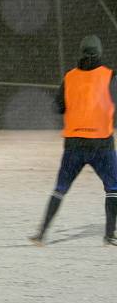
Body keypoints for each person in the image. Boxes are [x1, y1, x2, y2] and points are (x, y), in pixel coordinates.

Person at [30, 35, 117, 246]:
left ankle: (41, 234)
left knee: (60, 188)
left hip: (74, 143)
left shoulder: (69, 77)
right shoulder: (109, 75)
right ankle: (109, 235)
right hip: (101, 143)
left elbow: (58, 107)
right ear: (99, 51)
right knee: (113, 187)